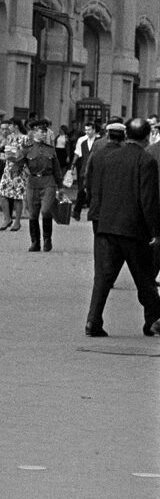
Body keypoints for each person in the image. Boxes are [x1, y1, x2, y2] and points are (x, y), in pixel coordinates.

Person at [84, 119, 160, 336]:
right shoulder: (146, 161)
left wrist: (99, 219)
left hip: (107, 226)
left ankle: (93, 321)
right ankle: (155, 318)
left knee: (103, 278)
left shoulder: (109, 158)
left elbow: (97, 190)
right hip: (134, 229)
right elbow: (148, 200)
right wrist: (155, 231)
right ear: (146, 138)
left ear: (126, 135)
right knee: (145, 278)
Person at [22, 118, 63, 252]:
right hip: (32, 183)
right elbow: (17, 165)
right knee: (33, 214)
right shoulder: (26, 149)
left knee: (46, 210)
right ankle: (35, 242)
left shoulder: (50, 150)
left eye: (45, 132)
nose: (44, 134)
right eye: (41, 132)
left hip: (48, 182)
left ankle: (47, 239)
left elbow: (56, 169)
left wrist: (60, 186)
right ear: (34, 133)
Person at [0, 118, 28, 231]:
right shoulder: (9, 138)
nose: (9, 128)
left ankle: (17, 222)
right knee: (2, 193)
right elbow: (4, 151)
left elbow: (25, 154)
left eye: (11, 126)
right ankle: (7, 218)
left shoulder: (25, 138)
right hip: (8, 168)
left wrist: (17, 156)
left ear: (16, 126)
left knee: (17, 196)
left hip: (19, 169)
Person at [72, 120, 100, 223]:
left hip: (95, 170)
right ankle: (76, 212)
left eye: (89, 130)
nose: (87, 132)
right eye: (86, 130)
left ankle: (91, 212)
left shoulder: (99, 141)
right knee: (81, 191)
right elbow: (78, 154)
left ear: (94, 130)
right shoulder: (83, 142)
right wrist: (72, 166)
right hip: (84, 170)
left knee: (92, 192)